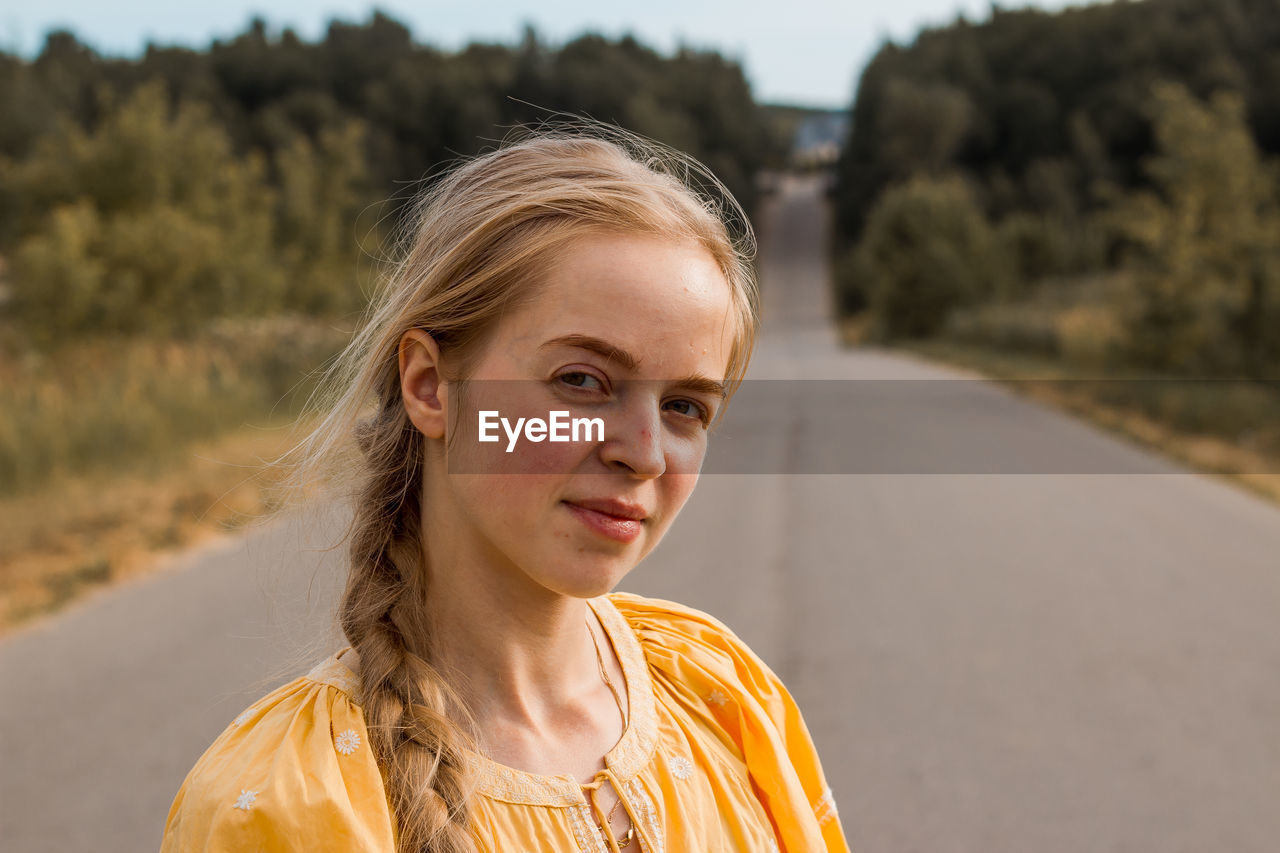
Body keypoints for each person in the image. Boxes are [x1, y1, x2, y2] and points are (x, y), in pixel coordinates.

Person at [159, 128, 849, 853]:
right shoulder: (286, 808)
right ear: (430, 386)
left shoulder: (723, 695)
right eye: (582, 381)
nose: (644, 454)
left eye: (685, 406)